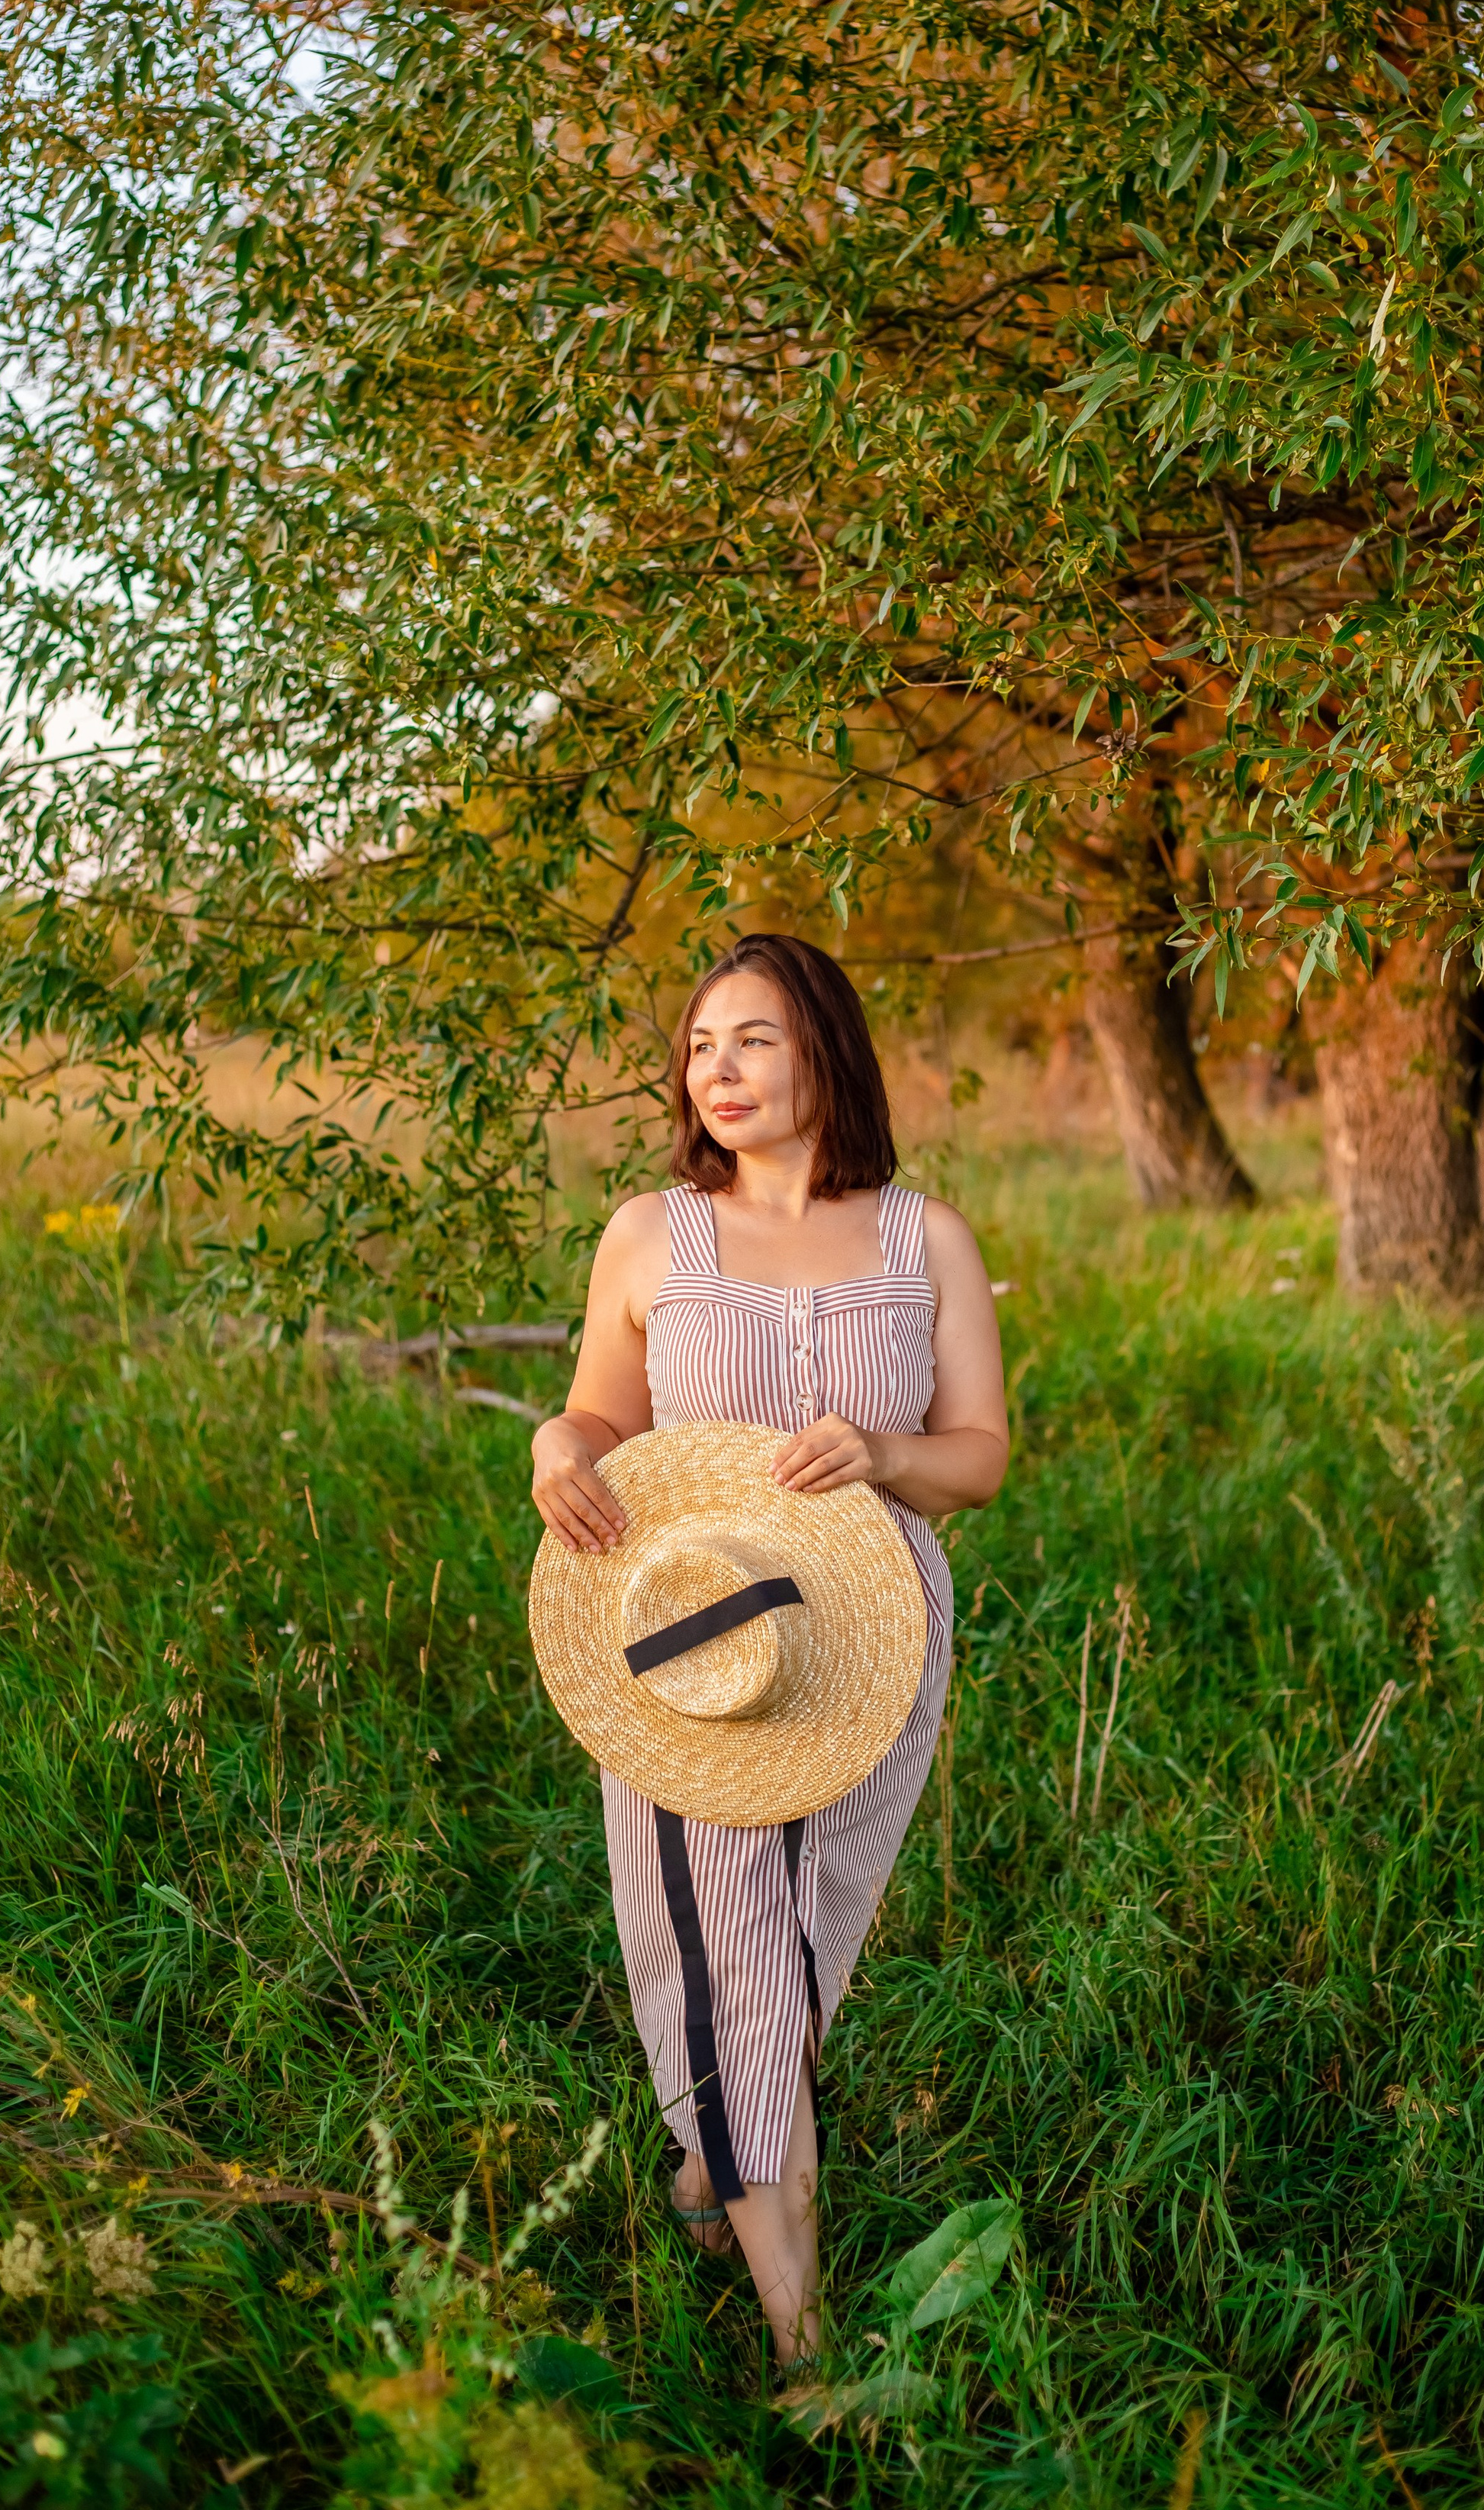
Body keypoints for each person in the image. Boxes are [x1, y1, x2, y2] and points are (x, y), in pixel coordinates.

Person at [530, 933, 1009, 2373]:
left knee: (804, 1954)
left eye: (752, 1040)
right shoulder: (649, 1234)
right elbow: (597, 1421)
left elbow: (979, 1461)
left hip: (873, 1642)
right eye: (698, 1047)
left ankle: (705, 2167)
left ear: (825, 1051)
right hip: (685, 1643)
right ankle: (807, 2347)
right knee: (729, 1953)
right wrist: (560, 1443)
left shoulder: (924, 1240)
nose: (716, 1071)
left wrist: (884, 1450)